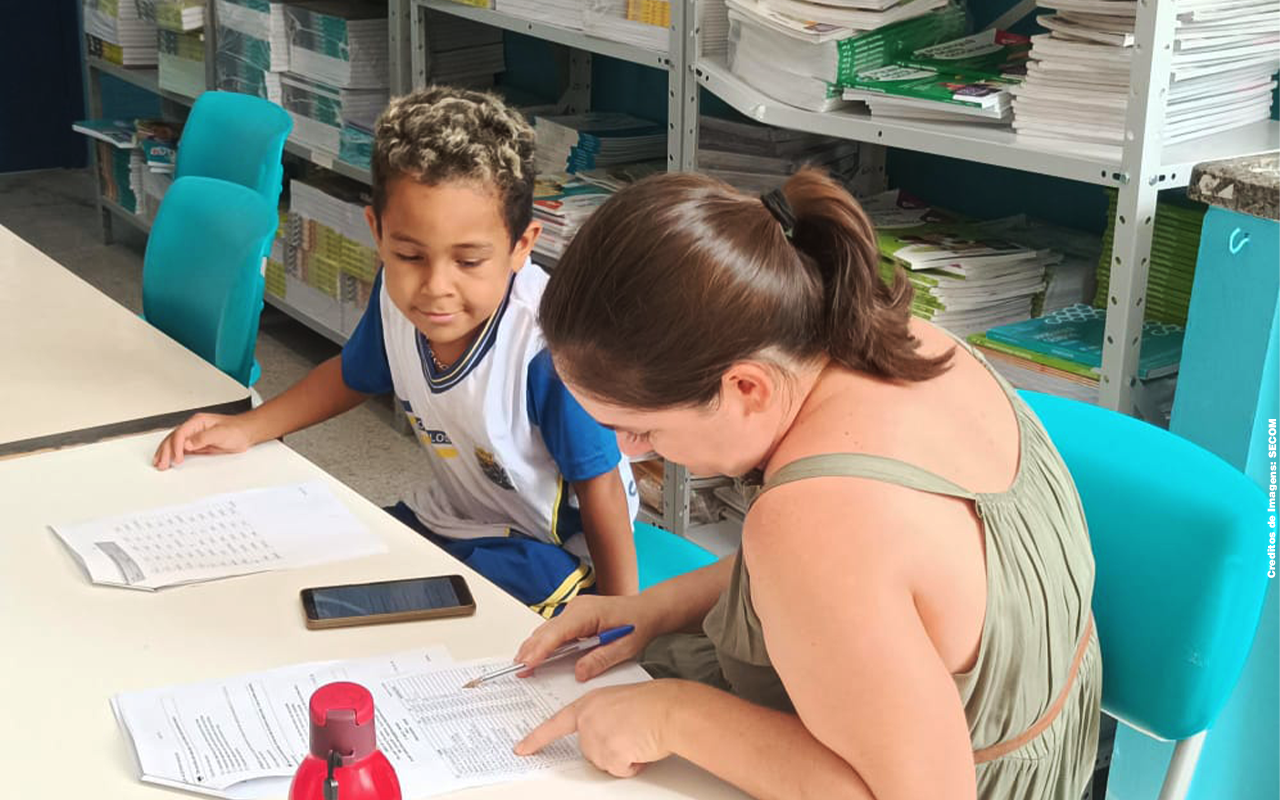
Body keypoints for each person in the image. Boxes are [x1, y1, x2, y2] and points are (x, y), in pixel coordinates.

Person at [513, 168, 1100, 799]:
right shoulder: (909, 342)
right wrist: (650, 609)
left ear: (745, 386)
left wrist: (672, 717)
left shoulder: (815, 519)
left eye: (643, 432)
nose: (628, 456)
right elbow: (867, 583)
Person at [152, 87, 640, 614]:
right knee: (339, 571)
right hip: (454, 515)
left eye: (469, 261)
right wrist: (248, 427)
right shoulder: (394, 295)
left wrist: (621, 616)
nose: (434, 286)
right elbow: (352, 375)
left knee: (428, 618)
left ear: (522, 246)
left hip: (549, 551)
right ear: (377, 233)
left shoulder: (547, 348)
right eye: (409, 254)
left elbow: (601, 487)